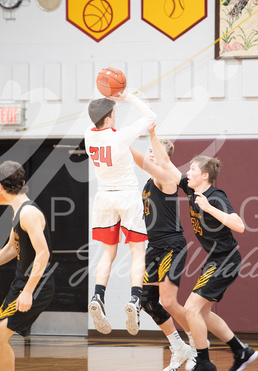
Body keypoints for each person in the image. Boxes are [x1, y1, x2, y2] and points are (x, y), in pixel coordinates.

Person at [149, 126, 258, 371]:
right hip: (216, 259)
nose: (188, 172)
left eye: (193, 170)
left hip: (226, 260)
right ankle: (241, 351)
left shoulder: (216, 196)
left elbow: (239, 226)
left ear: (205, 176)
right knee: (203, 314)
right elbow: (166, 164)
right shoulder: (191, 188)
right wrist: (153, 135)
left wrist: (209, 208)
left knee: (190, 309)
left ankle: (204, 363)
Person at [0, 161, 55, 371]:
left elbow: (43, 253)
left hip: (37, 285)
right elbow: (11, 248)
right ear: (23, 182)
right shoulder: (18, 212)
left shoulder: (28, 213)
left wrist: (27, 292)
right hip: (21, 283)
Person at [85, 90, 156, 336]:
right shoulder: (119, 137)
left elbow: (97, 120)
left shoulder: (88, 136)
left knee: (107, 253)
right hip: (127, 195)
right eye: (114, 113)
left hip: (103, 197)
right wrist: (127, 97)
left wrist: (108, 102)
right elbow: (150, 115)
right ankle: (135, 299)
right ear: (108, 118)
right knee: (138, 252)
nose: (116, 116)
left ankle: (98, 296)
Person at [130, 136, 196, 371]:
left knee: (168, 301)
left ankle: (198, 347)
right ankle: (178, 348)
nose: (149, 153)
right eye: (148, 150)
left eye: (154, 151)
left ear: (164, 157)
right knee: (148, 301)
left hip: (172, 246)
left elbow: (147, 164)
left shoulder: (166, 178)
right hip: (154, 246)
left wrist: (119, 141)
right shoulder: (148, 183)